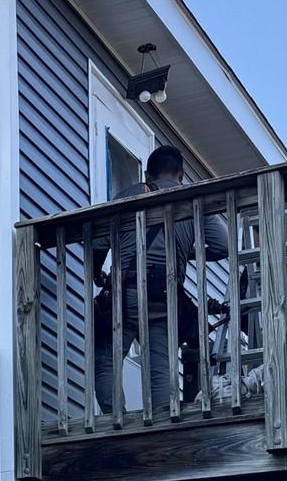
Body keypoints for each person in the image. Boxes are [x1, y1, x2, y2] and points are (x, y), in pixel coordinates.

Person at [92, 145, 228, 416]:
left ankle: (114, 419)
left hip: (126, 291)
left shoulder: (127, 195)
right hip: (165, 295)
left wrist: (97, 271)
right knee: (160, 366)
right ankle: (163, 420)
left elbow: (98, 241)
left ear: (147, 174)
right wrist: (184, 251)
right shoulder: (193, 201)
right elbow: (223, 245)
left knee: (108, 363)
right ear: (182, 173)